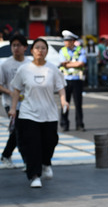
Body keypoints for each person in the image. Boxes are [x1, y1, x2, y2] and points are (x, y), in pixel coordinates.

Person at [9, 38, 69, 188]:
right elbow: (16, 90)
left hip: (49, 113)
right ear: (32, 50)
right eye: (37, 48)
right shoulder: (24, 69)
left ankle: (46, 162)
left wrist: (64, 101)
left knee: (50, 142)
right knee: (32, 145)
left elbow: (61, 87)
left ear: (47, 51)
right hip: (28, 113)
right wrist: (13, 108)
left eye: (43, 48)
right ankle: (34, 175)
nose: (40, 51)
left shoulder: (52, 69)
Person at [0, 34, 30, 169]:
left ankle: (6, 155)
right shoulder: (5, 64)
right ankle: (27, 161)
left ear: (25, 47)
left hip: (27, 103)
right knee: (20, 131)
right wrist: (10, 92)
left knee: (18, 131)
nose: (16, 48)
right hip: (10, 104)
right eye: (13, 45)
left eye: (19, 45)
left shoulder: (29, 64)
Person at [59, 30, 86, 132]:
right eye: (65, 40)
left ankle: (80, 124)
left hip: (77, 80)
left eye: (68, 40)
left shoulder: (80, 50)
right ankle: (64, 124)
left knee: (78, 104)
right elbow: (62, 63)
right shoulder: (62, 51)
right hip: (65, 80)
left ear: (73, 41)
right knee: (65, 103)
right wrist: (74, 63)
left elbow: (81, 64)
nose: (66, 42)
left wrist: (68, 63)